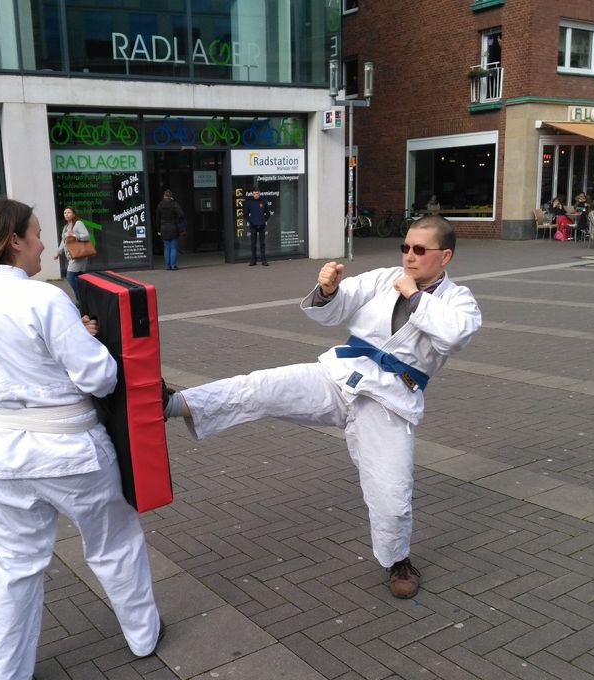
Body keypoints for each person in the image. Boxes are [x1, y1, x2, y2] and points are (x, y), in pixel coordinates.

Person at [164, 215, 481, 599]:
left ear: (444, 256)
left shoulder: (458, 300)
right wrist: (328, 289)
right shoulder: (383, 278)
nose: (409, 257)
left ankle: (397, 559)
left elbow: (454, 336)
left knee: (392, 495)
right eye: (405, 247)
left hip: (389, 401)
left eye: (419, 250)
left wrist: (415, 295)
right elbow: (336, 307)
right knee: (261, 387)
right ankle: (173, 403)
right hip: (339, 374)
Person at [0, 198, 163, 680]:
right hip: (69, 448)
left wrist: (75, 339)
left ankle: (3, 678)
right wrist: (93, 345)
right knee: (114, 545)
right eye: (37, 234)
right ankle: (143, 635)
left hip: (3, 452)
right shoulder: (45, 300)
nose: (47, 244)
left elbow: (18, 363)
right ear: (14, 242)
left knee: (15, 564)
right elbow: (98, 377)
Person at [52, 205, 90, 302]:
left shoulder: (78, 223)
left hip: (78, 256)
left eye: (69, 212)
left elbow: (86, 236)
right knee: (80, 278)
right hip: (71, 256)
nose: (67, 214)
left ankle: (80, 298)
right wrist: (58, 252)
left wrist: (74, 234)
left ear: (73, 214)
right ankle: (85, 299)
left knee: (70, 276)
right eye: (65, 213)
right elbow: (63, 241)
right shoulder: (65, 227)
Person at [155, 189, 184, 271]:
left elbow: (157, 219)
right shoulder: (174, 204)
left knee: (166, 247)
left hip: (163, 227)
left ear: (164, 196)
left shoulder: (160, 205)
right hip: (173, 227)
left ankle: (167, 266)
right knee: (173, 247)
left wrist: (158, 230)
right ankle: (173, 265)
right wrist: (179, 221)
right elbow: (181, 214)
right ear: (171, 196)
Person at [244, 187, 272, 266]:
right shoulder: (249, 203)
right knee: (253, 243)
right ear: (252, 194)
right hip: (253, 226)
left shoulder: (264, 202)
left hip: (262, 225)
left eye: (257, 193)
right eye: (254, 194)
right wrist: (251, 221)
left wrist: (263, 220)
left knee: (262, 243)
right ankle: (253, 260)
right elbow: (246, 215)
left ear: (259, 193)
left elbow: (268, 213)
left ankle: (264, 260)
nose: (255, 195)